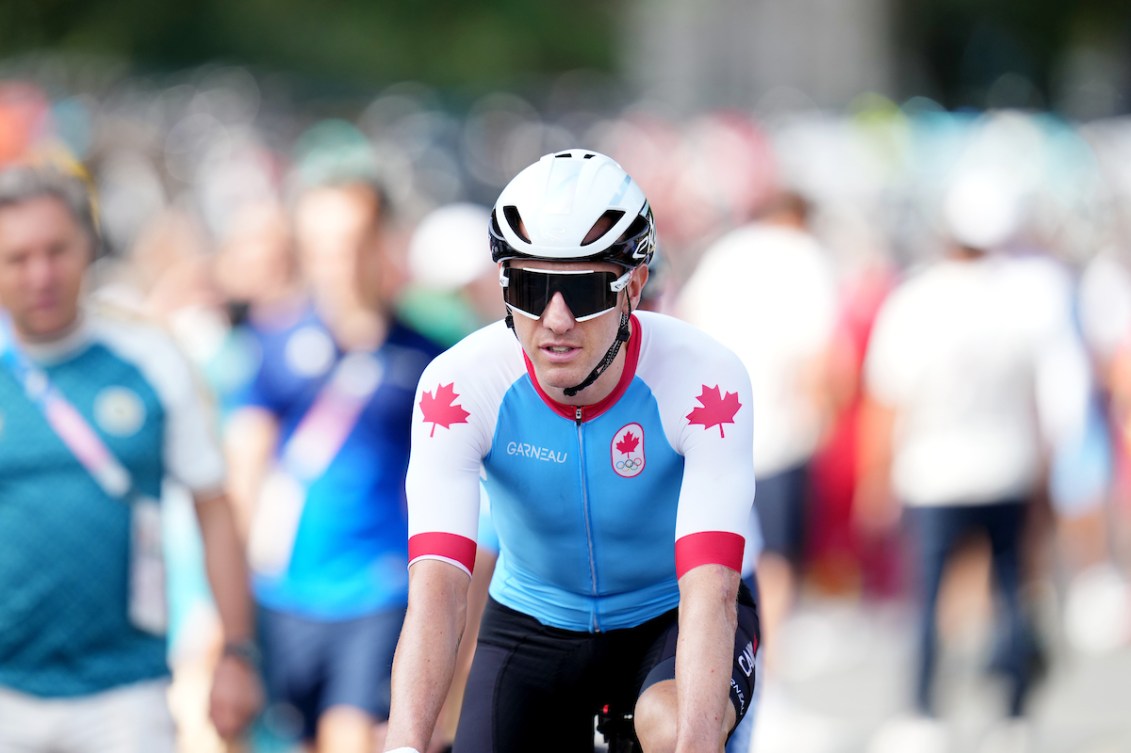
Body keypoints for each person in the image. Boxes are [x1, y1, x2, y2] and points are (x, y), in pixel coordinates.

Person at [383, 149, 762, 753]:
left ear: (633, 286)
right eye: (532, 287)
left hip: (669, 617)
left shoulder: (704, 379)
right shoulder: (457, 387)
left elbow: (709, 589)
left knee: (672, 730)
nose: (555, 319)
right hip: (533, 621)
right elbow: (437, 593)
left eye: (582, 291)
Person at [0, 164, 262, 751]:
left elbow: (214, 506)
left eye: (56, 251)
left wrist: (237, 652)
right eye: (17, 258)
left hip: (125, 690)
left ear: (88, 248)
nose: (40, 274)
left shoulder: (151, 355)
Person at [225, 174, 443, 753]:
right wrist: (231, 603)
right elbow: (245, 466)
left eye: (352, 244)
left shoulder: (425, 359)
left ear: (381, 245)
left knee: (350, 735)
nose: (338, 264)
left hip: (377, 589)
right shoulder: (274, 347)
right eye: (322, 247)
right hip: (284, 591)